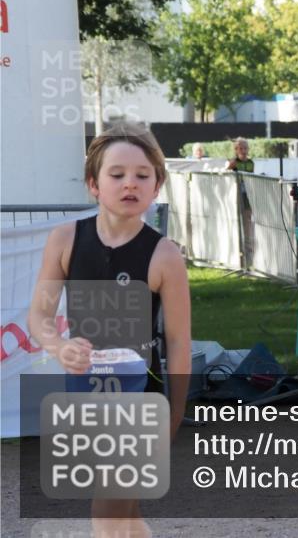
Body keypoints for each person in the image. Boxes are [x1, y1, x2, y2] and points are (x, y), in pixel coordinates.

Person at [28, 123, 191, 538]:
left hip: (140, 402)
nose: (130, 184)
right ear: (93, 185)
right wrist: (58, 345)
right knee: (126, 516)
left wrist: (174, 414)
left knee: (107, 512)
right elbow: (40, 317)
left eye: (142, 175)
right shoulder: (64, 239)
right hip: (84, 400)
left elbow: (178, 341)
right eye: (116, 174)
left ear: (157, 187)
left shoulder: (165, 255)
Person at [226, 137, 255, 263]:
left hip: (247, 198)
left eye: (245, 148)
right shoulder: (233, 163)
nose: (243, 151)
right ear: (236, 150)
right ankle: (237, 253)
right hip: (236, 198)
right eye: (241, 148)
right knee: (236, 223)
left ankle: (248, 253)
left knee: (247, 224)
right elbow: (226, 177)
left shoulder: (250, 163)